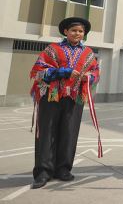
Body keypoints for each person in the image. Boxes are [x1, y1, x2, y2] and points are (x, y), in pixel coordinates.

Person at [29, 17, 100, 189]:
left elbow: (95, 73)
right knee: (47, 133)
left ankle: (63, 169)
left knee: (69, 133)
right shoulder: (52, 49)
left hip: (75, 98)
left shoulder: (88, 53)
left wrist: (88, 77)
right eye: (74, 30)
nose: (77, 33)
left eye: (81, 31)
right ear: (66, 32)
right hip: (51, 97)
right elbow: (39, 71)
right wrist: (64, 72)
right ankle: (43, 171)